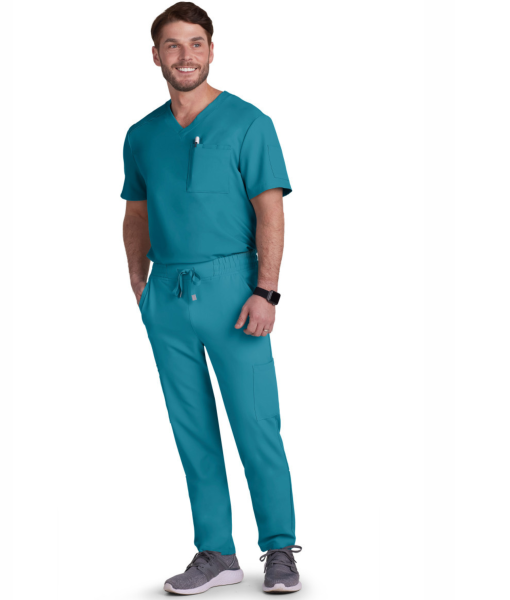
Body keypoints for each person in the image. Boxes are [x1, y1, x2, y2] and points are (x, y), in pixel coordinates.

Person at [121, 2, 302, 594]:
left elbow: (270, 211)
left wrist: (266, 291)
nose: (186, 56)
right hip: (167, 294)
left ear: (212, 50)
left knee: (255, 423)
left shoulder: (249, 123)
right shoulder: (142, 135)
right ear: (156, 55)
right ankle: (216, 553)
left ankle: (280, 548)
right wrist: (139, 283)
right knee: (191, 429)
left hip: (234, 290)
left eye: (196, 43)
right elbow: (136, 214)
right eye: (173, 45)